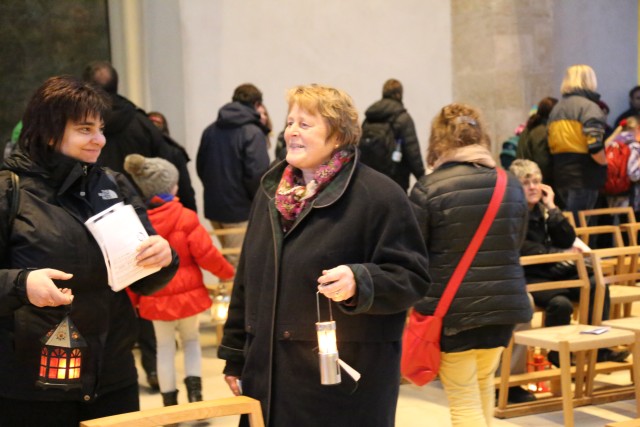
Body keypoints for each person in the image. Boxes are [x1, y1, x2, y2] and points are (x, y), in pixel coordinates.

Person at [218, 84, 430, 427]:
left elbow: (413, 277)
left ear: (338, 135)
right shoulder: (270, 194)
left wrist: (360, 281)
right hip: (267, 377)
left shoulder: (380, 195)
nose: (292, 132)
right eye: (290, 122)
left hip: (341, 387)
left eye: (305, 123)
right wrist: (235, 356)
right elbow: (247, 280)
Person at [0, 75, 178, 426]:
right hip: (33, 384)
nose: (99, 140)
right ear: (49, 131)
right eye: (85, 129)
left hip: (112, 375)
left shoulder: (114, 185)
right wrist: (22, 284)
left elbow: (145, 280)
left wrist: (164, 258)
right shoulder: (11, 191)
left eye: (100, 128)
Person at [409, 103, 533, 427]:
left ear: (438, 140)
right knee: (481, 387)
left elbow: (414, 251)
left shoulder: (429, 188)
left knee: (464, 401)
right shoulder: (510, 184)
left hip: (454, 311)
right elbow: (515, 242)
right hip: (505, 305)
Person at [123, 154, 234, 407]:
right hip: (188, 296)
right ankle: (196, 397)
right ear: (171, 186)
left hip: (155, 297)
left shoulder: (139, 223)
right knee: (191, 342)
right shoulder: (185, 217)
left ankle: (169, 403)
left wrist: (133, 299)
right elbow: (207, 254)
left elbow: (133, 267)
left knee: (164, 347)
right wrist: (229, 274)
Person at [509, 159, 628, 365]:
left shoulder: (545, 210)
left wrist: (553, 207)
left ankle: (598, 348)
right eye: (526, 183)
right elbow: (521, 246)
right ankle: (558, 356)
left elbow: (566, 238)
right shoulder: (512, 213)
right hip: (530, 275)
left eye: (536, 181)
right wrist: (555, 252)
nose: (533, 187)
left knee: (596, 284)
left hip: (554, 269)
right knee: (561, 303)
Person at [82, 61, 197, 212]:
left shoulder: (78, 129)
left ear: (85, 87)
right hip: (143, 211)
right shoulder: (142, 124)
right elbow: (170, 169)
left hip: (97, 212)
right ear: (116, 84)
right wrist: (189, 212)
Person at [196, 83, 270, 267]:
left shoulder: (210, 130)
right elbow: (257, 174)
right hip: (240, 211)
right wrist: (257, 202)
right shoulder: (253, 132)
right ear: (257, 104)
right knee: (238, 267)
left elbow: (200, 166)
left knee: (227, 262)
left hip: (214, 209)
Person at [547, 64, 608, 223]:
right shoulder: (589, 108)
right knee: (583, 227)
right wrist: (605, 163)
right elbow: (594, 146)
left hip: (561, 174)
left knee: (571, 224)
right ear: (589, 80)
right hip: (584, 175)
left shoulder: (556, 109)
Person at [361, 78, 425, 192]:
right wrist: (423, 180)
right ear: (399, 94)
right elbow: (413, 153)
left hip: (370, 181)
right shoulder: (403, 118)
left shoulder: (369, 118)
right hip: (395, 182)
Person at [515, 96, 558, 189]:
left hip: (524, 177)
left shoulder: (529, 128)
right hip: (536, 182)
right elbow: (543, 163)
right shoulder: (542, 131)